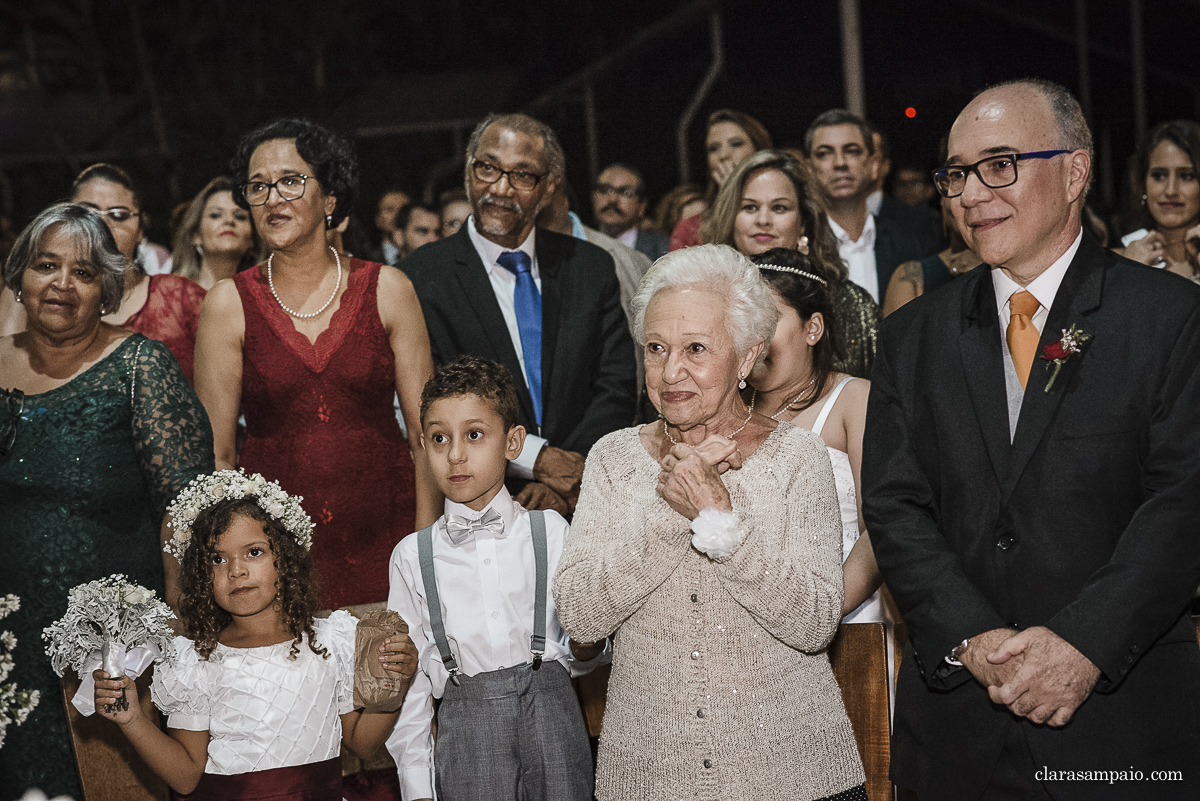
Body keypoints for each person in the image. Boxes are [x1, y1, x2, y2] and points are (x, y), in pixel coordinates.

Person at [863, 79, 1200, 801]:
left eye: (1001, 163)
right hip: (957, 731)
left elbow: (1183, 502)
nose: (971, 192)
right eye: (957, 172)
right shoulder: (910, 336)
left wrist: (1082, 644)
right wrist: (972, 639)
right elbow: (894, 505)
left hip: (1117, 726)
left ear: (1075, 171)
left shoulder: (1171, 319)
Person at [554, 244, 866, 801]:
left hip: (792, 776)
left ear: (747, 357)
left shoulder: (798, 457)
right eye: (655, 348)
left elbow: (816, 621)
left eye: (696, 348)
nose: (671, 371)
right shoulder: (613, 458)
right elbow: (579, 613)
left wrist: (718, 522)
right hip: (649, 778)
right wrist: (674, 509)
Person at [0, 203, 214, 798]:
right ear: (20, 275)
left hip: (109, 656)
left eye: (85, 272)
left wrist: (177, 639)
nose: (62, 284)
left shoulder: (140, 367)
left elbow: (187, 512)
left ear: (107, 291)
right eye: (47, 265)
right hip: (7, 647)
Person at [195, 117, 440, 611]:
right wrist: (236, 570)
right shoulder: (228, 303)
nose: (272, 198)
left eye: (290, 181)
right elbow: (217, 459)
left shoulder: (388, 288)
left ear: (330, 199)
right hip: (279, 561)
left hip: (392, 546)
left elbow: (426, 436)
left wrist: (426, 554)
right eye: (258, 186)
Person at [93, 473, 419, 800]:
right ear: (201, 576)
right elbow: (186, 777)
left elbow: (362, 742)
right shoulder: (196, 661)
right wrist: (132, 719)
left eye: (253, 552)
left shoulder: (331, 642)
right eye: (217, 559)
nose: (236, 570)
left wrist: (394, 681)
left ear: (287, 557)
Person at [386, 356, 608, 801]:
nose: (455, 455)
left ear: (513, 442)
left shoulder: (552, 531)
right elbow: (410, 689)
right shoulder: (413, 556)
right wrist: (417, 790)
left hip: (556, 727)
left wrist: (592, 646)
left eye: (474, 435)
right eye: (438, 438)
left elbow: (584, 647)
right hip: (467, 740)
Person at [402, 112, 637, 516]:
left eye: (523, 175)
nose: (500, 188)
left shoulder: (590, 267)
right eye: (488, 168)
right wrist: (536, 459)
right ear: (468, 173)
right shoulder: (419, 279)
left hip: (591, 497)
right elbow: (433, 401)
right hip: (479, 506)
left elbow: (616, 385)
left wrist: (570, 480)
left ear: (549, 188)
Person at [747, 247, 882, 621]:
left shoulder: (854, 400)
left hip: (846, 616)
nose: (752, 338)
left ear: (813, 328)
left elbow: (880, 530)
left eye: (768, 320)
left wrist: (820, 612)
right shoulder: (727, 411)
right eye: (743, 321)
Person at [701, 148, 881, 379]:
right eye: (749, 207)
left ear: (804, 223)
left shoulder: (850, 304)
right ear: (730, 218)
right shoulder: (703, 300)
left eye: (779, 208)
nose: (763, 220)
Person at [70, 163, 208, 382]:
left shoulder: (181, 298)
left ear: (140, 231)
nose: (102, 224)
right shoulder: (39, 295)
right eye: (87, 213)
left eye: (118, 214)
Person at [804, 110, 927, 304]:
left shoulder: (906, 242)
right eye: (824, 153)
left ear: (874, 165)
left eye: (851, 151)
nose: (840, 163)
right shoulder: (801, 247)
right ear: (809, 169)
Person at [669, 109, 772, 251]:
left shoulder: (781, 217)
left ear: (759, 150)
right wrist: (728, 201)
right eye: (714, 148)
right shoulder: (691, 228)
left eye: (736, 144)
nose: (723, 155)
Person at [1116, 120, 1200, 282]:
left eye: (1186, 176)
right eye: (1159, 176)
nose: (1170, 191)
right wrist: (1127, 275)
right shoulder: (1114, 263)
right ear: (1142, 184)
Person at [171, 176, 260, 290]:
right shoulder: (172, 293)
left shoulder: (262, 299)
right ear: (196, 235)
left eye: (240, 216)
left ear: (252, 239)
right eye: (216, 215)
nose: (229, 220)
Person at [867, 127, 944, 255]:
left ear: (884, 166)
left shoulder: (924, 222)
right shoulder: (826, 222)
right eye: (853, 152)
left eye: (870, 155)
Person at [592, 162, 669, 261]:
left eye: (626, 192)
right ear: (593, 198)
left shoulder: (663, 250)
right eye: (604, 189)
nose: (612, 199)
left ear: (641, 206)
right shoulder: (578, 245)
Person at [374, 186, 412, 265]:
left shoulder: (422, 252)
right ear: (378, 219)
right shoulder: (366, 258)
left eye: (403, 209)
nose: (397, 214)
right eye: (390, 209)